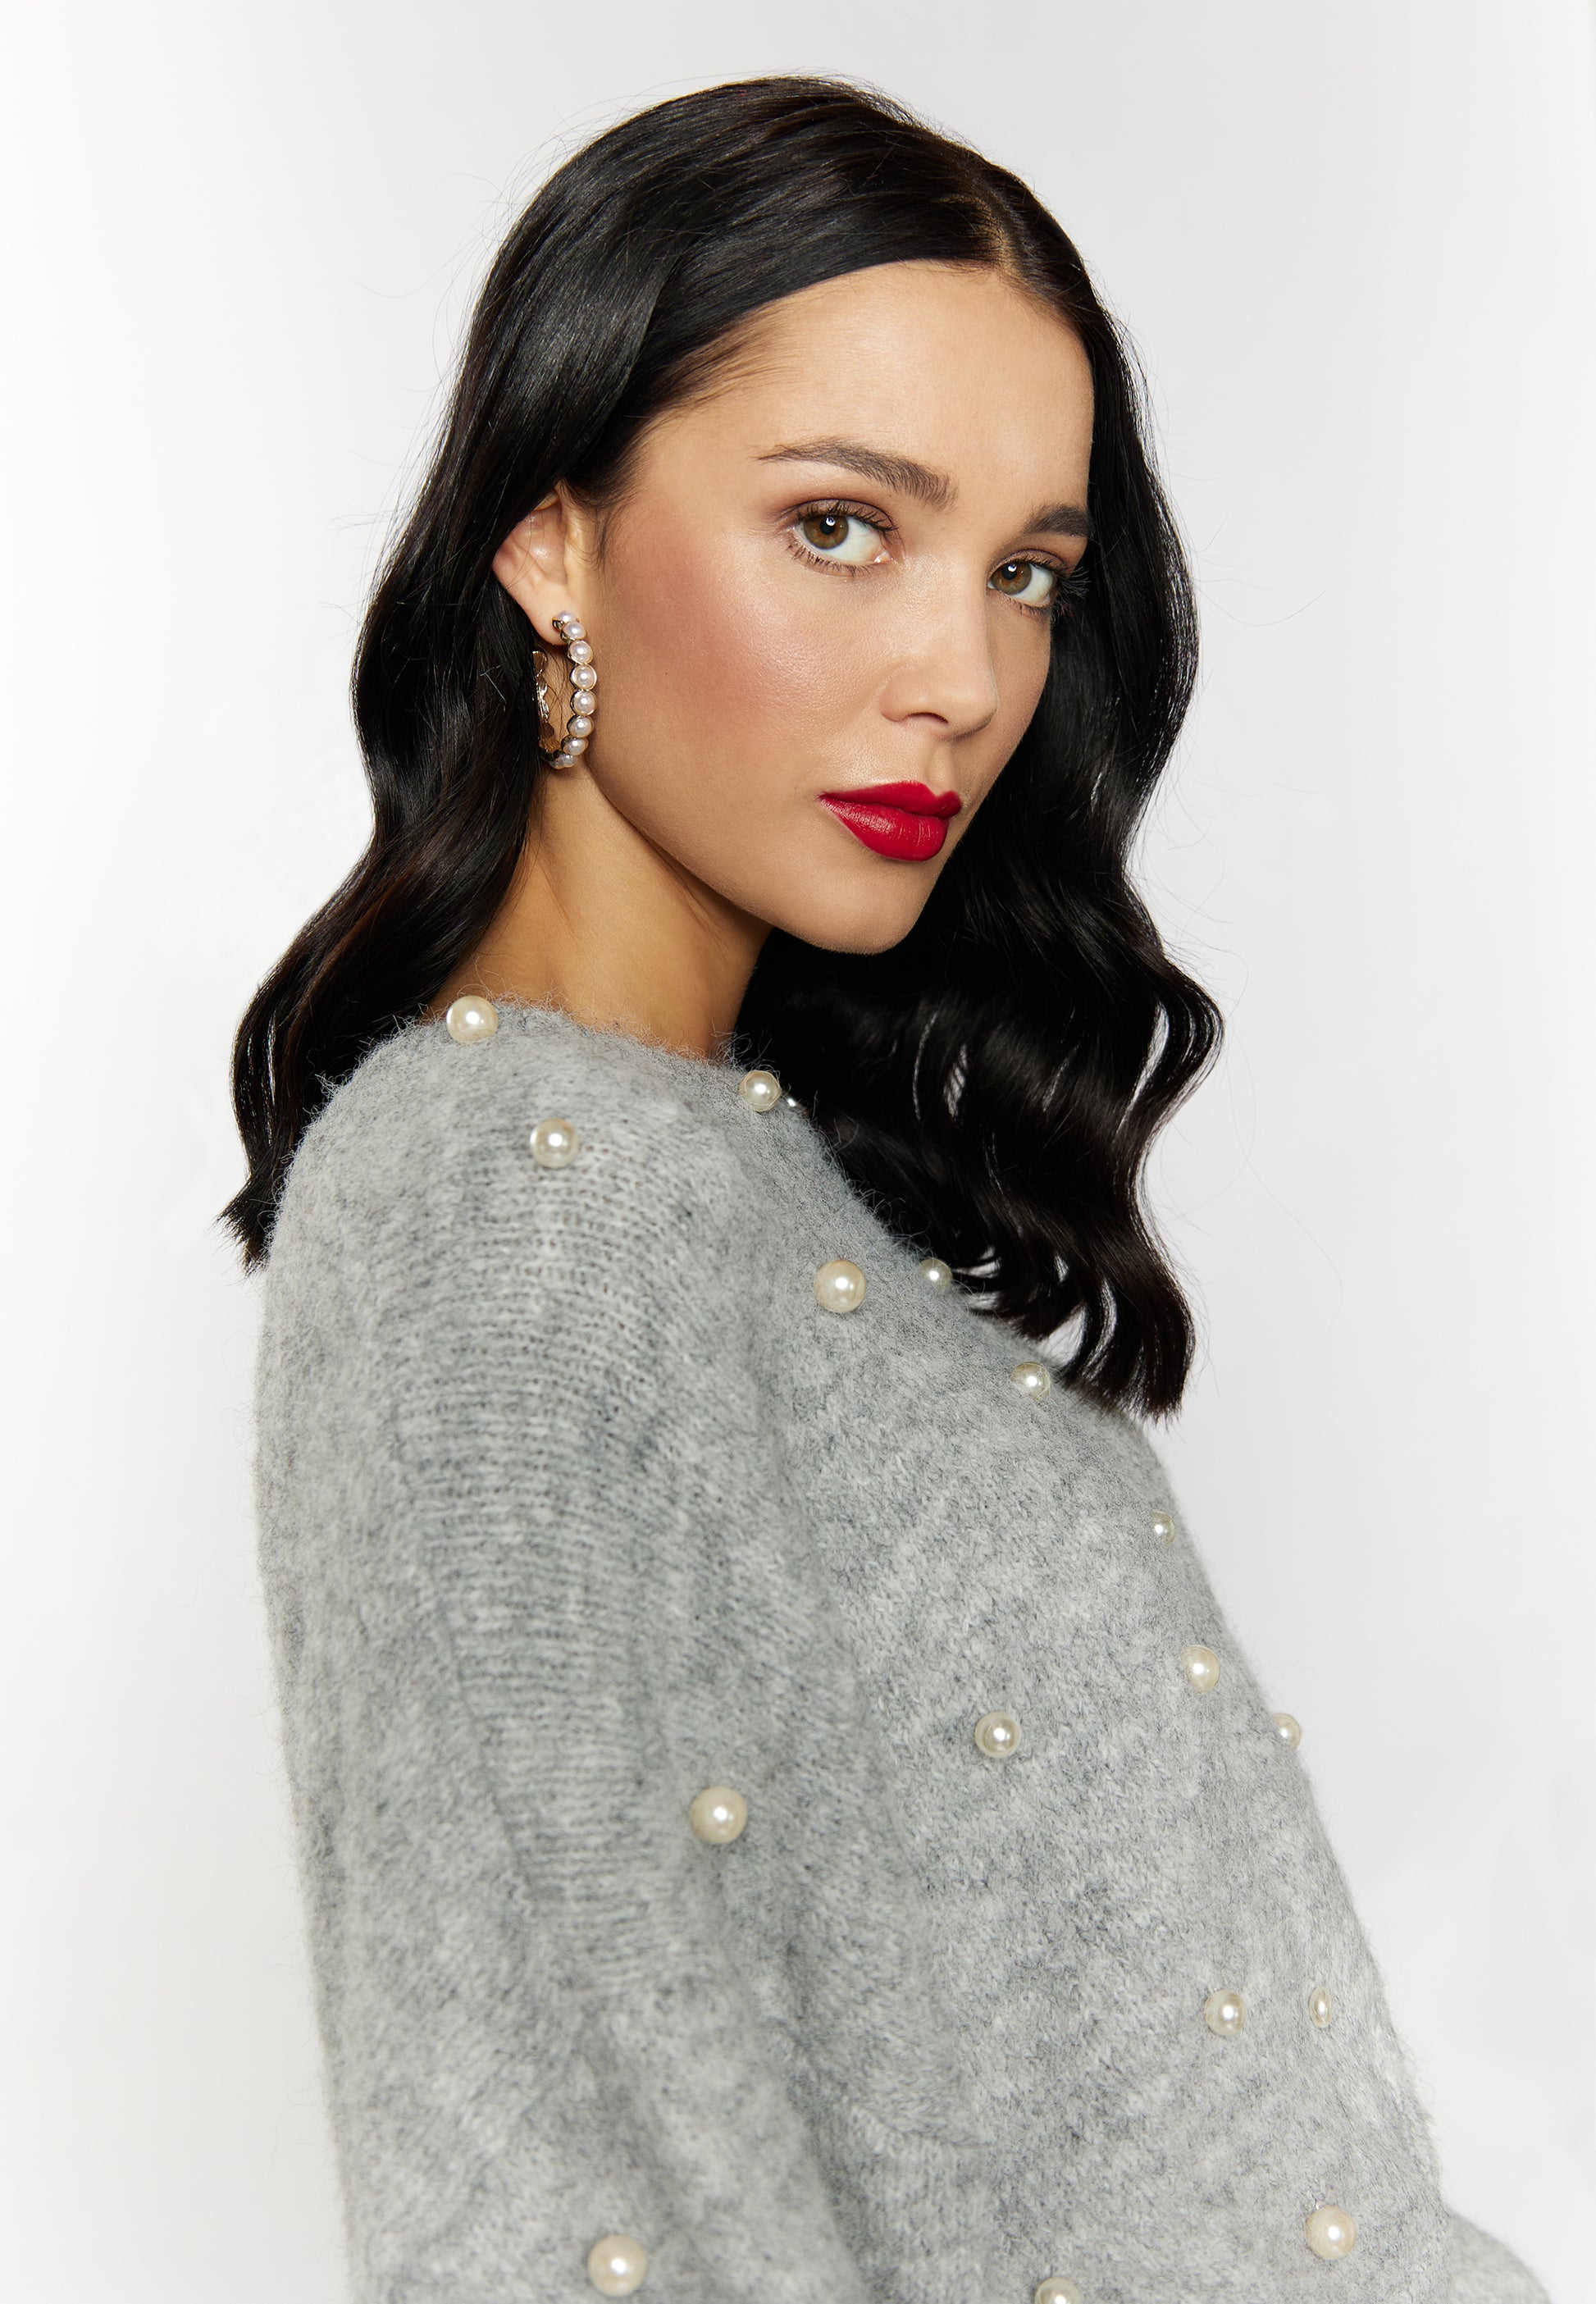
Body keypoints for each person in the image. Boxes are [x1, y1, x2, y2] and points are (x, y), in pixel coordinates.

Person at [230, 76, 1550, 2304]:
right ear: (549, 541)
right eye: (841, 525)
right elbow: (582, 2204)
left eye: (1027, 575)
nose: (963, 680)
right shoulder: (512, 1208)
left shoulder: (733, 1169)